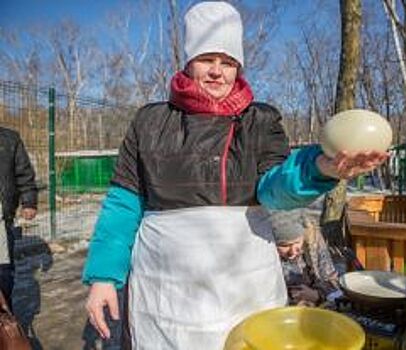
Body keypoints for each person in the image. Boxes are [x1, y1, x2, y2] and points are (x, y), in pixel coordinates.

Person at [82, 2, 388, 349]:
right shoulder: (150, 121)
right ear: (188, 62)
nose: (217, 71)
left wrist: (319, 168)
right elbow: (123, 203)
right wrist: (104, 277)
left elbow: (274, 189)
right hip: (167, 285)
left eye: (227, 63)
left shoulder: (260, 120)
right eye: (206, 60)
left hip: (244, 279)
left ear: (238, 68)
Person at [270, 209, 342, 307]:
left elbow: (331, 278)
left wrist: (317, 295)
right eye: (284, 245)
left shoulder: (312, 238)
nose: (292, 252)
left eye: (297, 242)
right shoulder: (263, 252)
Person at [0, 127, 38, 307]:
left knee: (3, 274)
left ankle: (5, 322)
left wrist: (29, 202)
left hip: (0, 218)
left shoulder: (9, 138)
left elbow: (24, 173)